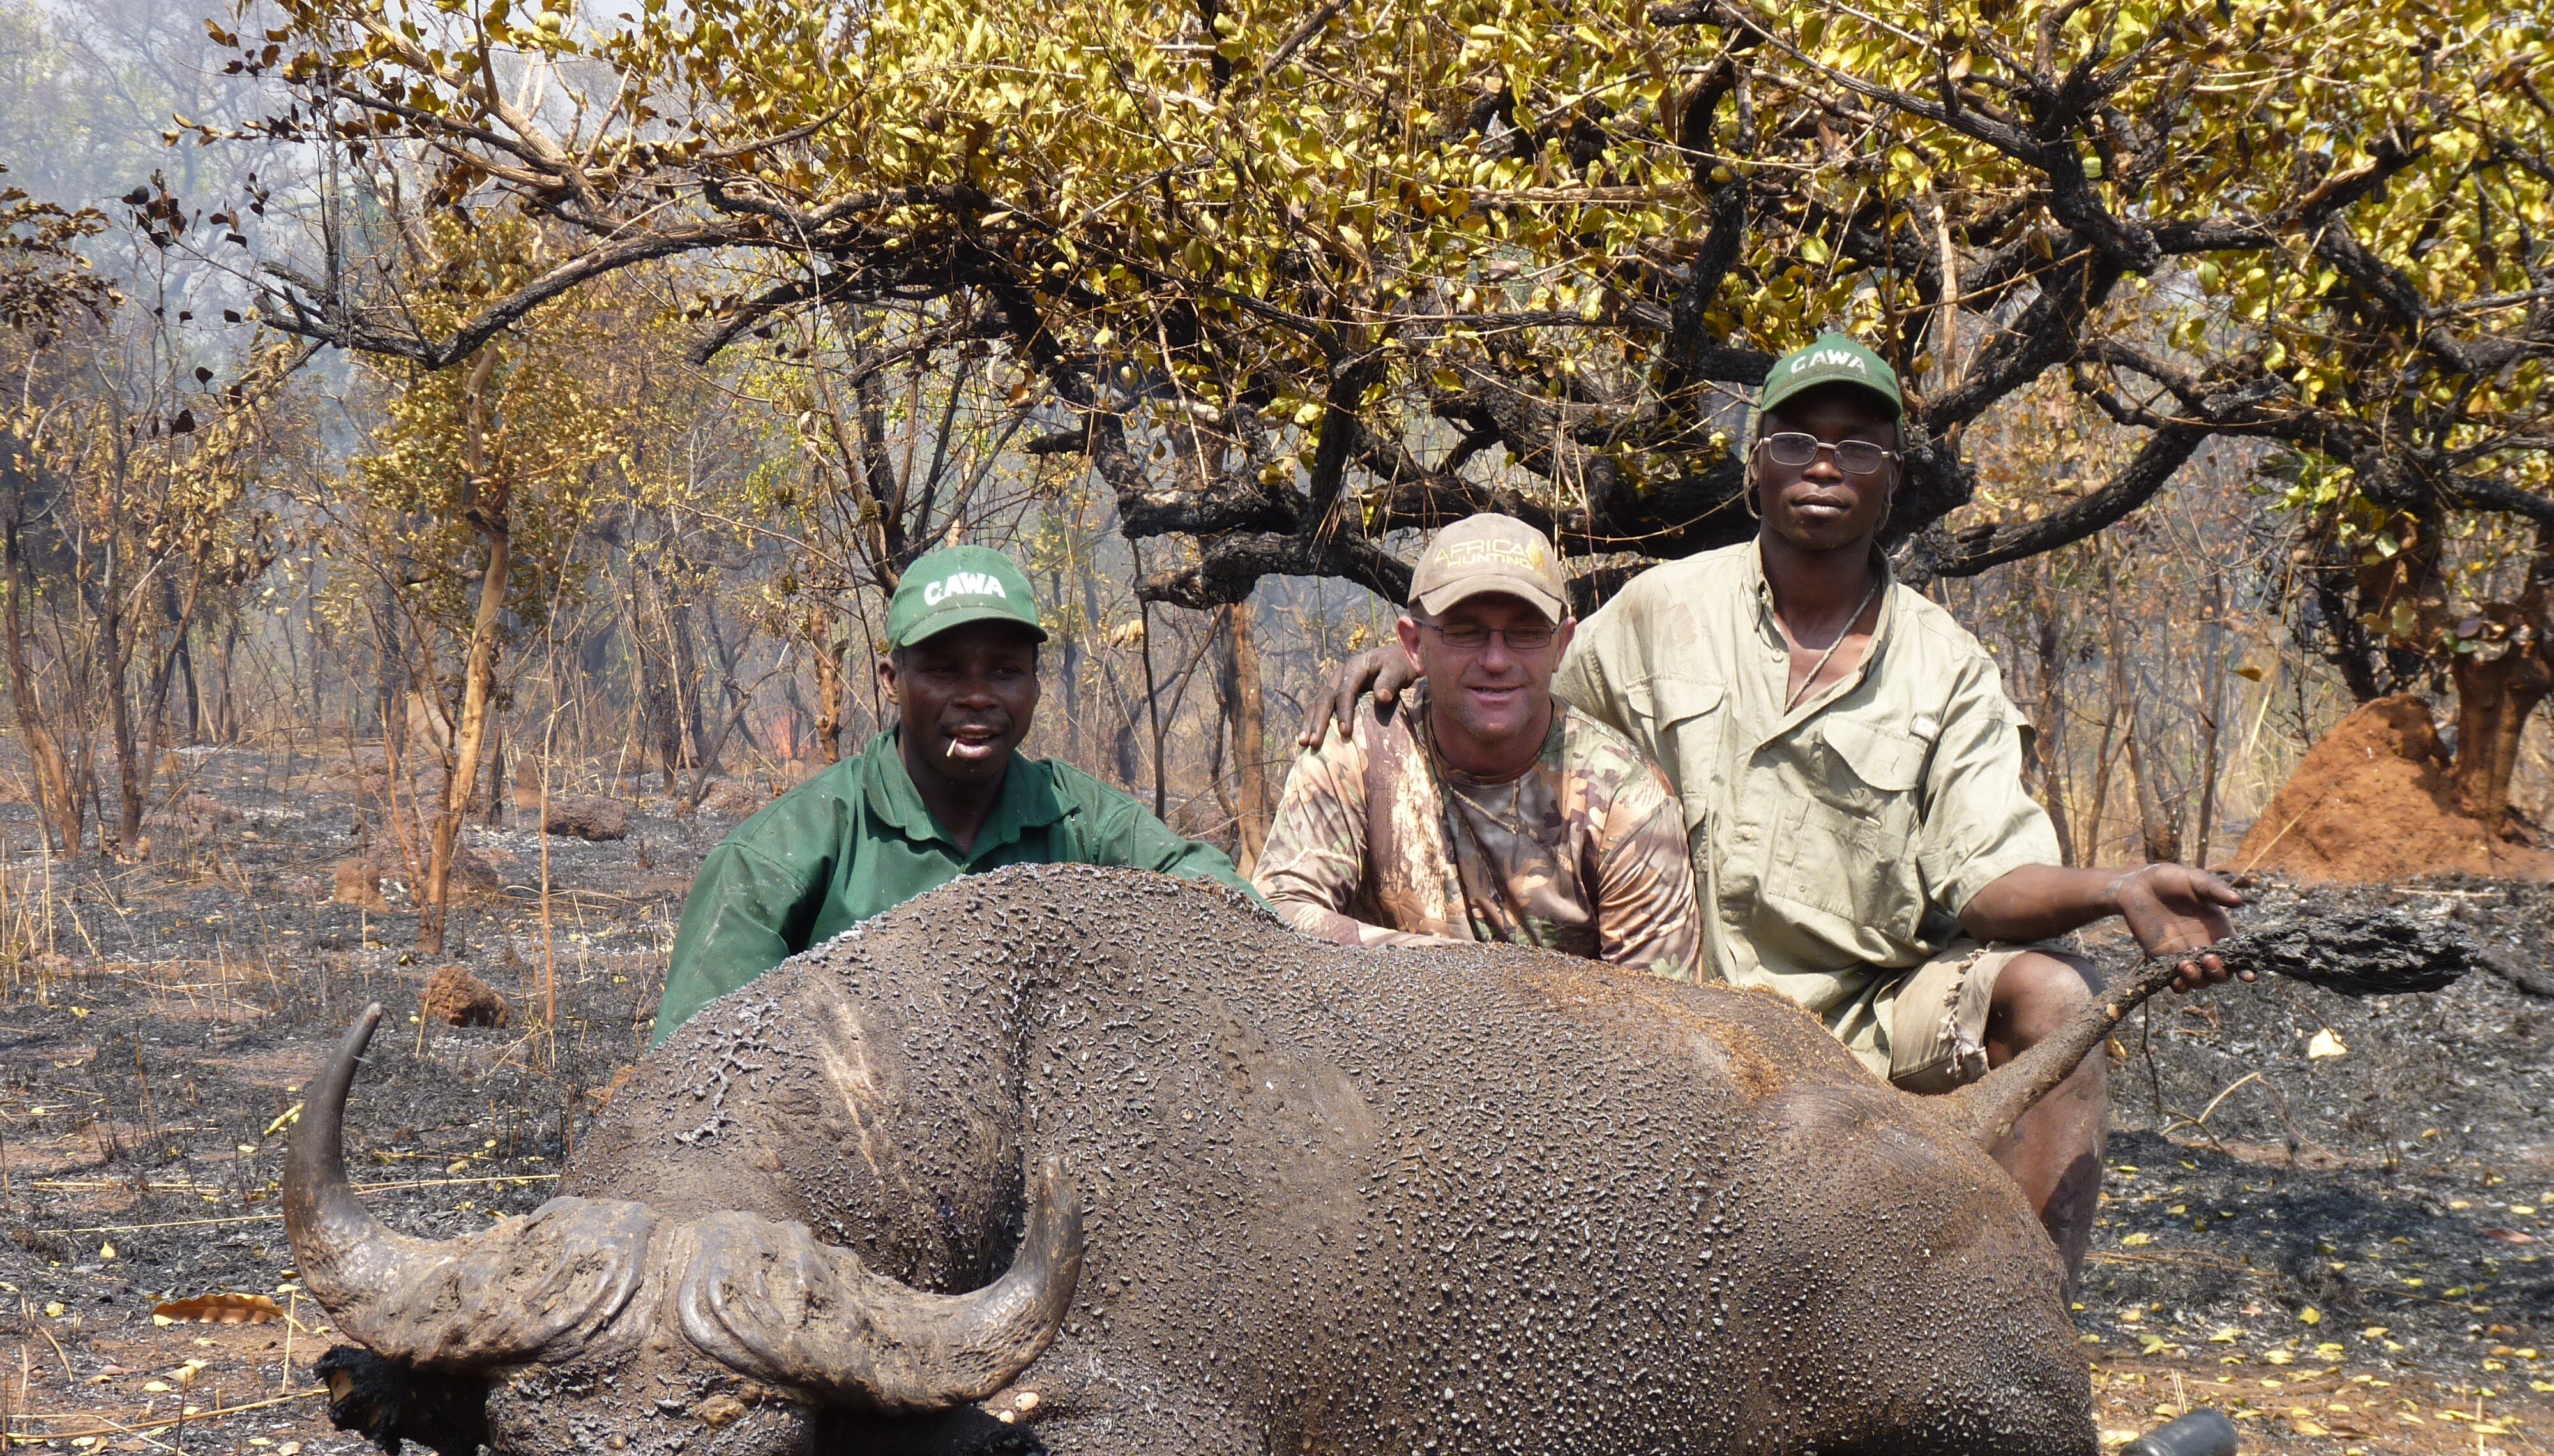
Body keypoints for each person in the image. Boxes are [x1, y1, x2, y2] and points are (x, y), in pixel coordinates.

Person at [1304, 334, 2242, 1274]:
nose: (1825, 465)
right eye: (1795, 439)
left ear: (1894, 481)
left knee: (2055, 998)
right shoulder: (1659, 610)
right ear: (1756, 466)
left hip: (1868, 1016)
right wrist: (1419, 669)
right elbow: (1517, 694)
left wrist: (2121, 886)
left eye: (1859, 446)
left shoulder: (1946, 669)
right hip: (1678, 1016)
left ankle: (2034, 1349)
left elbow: (1989, 880)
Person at [653, 545, 1257, 1042]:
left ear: (1035, 684)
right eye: (944, 671)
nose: (977, 697)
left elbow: (1222, 902)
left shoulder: (1080, 818)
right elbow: (692, 1069)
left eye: (1004, 671)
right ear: (891, 681)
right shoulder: (779, 854)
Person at [1255, 514, 1702, 979]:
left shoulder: (1628, 803)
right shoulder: (1355, 751)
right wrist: (1477, 983)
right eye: (1465, 632)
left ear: (1563, 644)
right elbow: (1278, 916)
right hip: (1378, 1039)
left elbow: (1660, 1023)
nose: (1495, 660)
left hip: (1566, 1049)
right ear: (1414, 644)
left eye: (1526, 632)